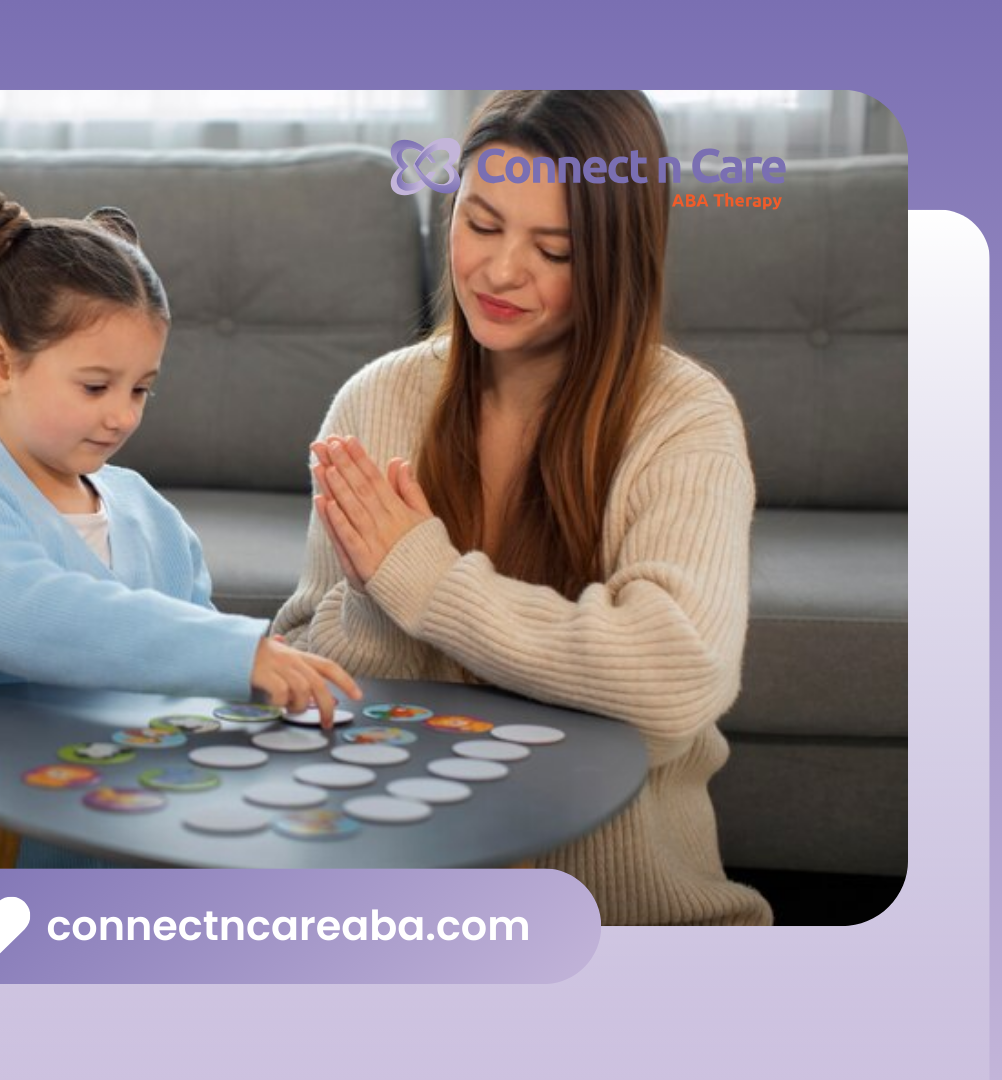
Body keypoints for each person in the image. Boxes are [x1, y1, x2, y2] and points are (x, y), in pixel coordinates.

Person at [273, 91, 773, 925]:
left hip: (622, 914)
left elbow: (678, 676)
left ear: (618, 257)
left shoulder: (682, 417)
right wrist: (372, 602)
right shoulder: (375, 401)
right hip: (411, 903)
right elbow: (296, 668)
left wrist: (423, 580)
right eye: (481, 223)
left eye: (555, 247)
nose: (502, 271)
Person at [0, 187, 359, 884]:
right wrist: (237, 651)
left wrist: (269, 684)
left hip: (130, 840)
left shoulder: (148, 510)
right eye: (94, 386)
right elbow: (38, 615)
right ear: (0, 365)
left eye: (140, 389)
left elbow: (190, 646)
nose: (120, 416)